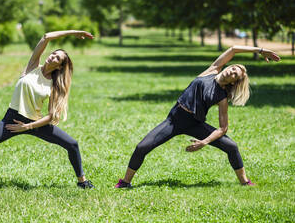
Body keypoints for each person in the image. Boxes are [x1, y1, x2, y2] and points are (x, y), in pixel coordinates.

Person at [115, 46, 281, 188]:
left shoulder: (222, 97)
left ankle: (244, 182)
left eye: (234, 75)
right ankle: (125, 182)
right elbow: (233, 49)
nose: (231, 71)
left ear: (232, 82)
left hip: (194, 124)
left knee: (231, 146)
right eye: (232, 68)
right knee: (142, 147)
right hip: (174, 119)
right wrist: (260, 50)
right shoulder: (211, 71)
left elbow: (223, 128)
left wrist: (205, 142)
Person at [0, 30, 95, 189]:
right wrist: (74, 33)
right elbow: (46, 37)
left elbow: (51, 116)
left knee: (72, 144)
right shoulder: (32, 67)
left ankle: (82, 182)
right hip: (11, 120)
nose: (52, 57)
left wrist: (28, 127)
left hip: (35, 123)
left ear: (60, 66)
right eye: (53, 54)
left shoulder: (55, 85)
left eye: (58, 58)